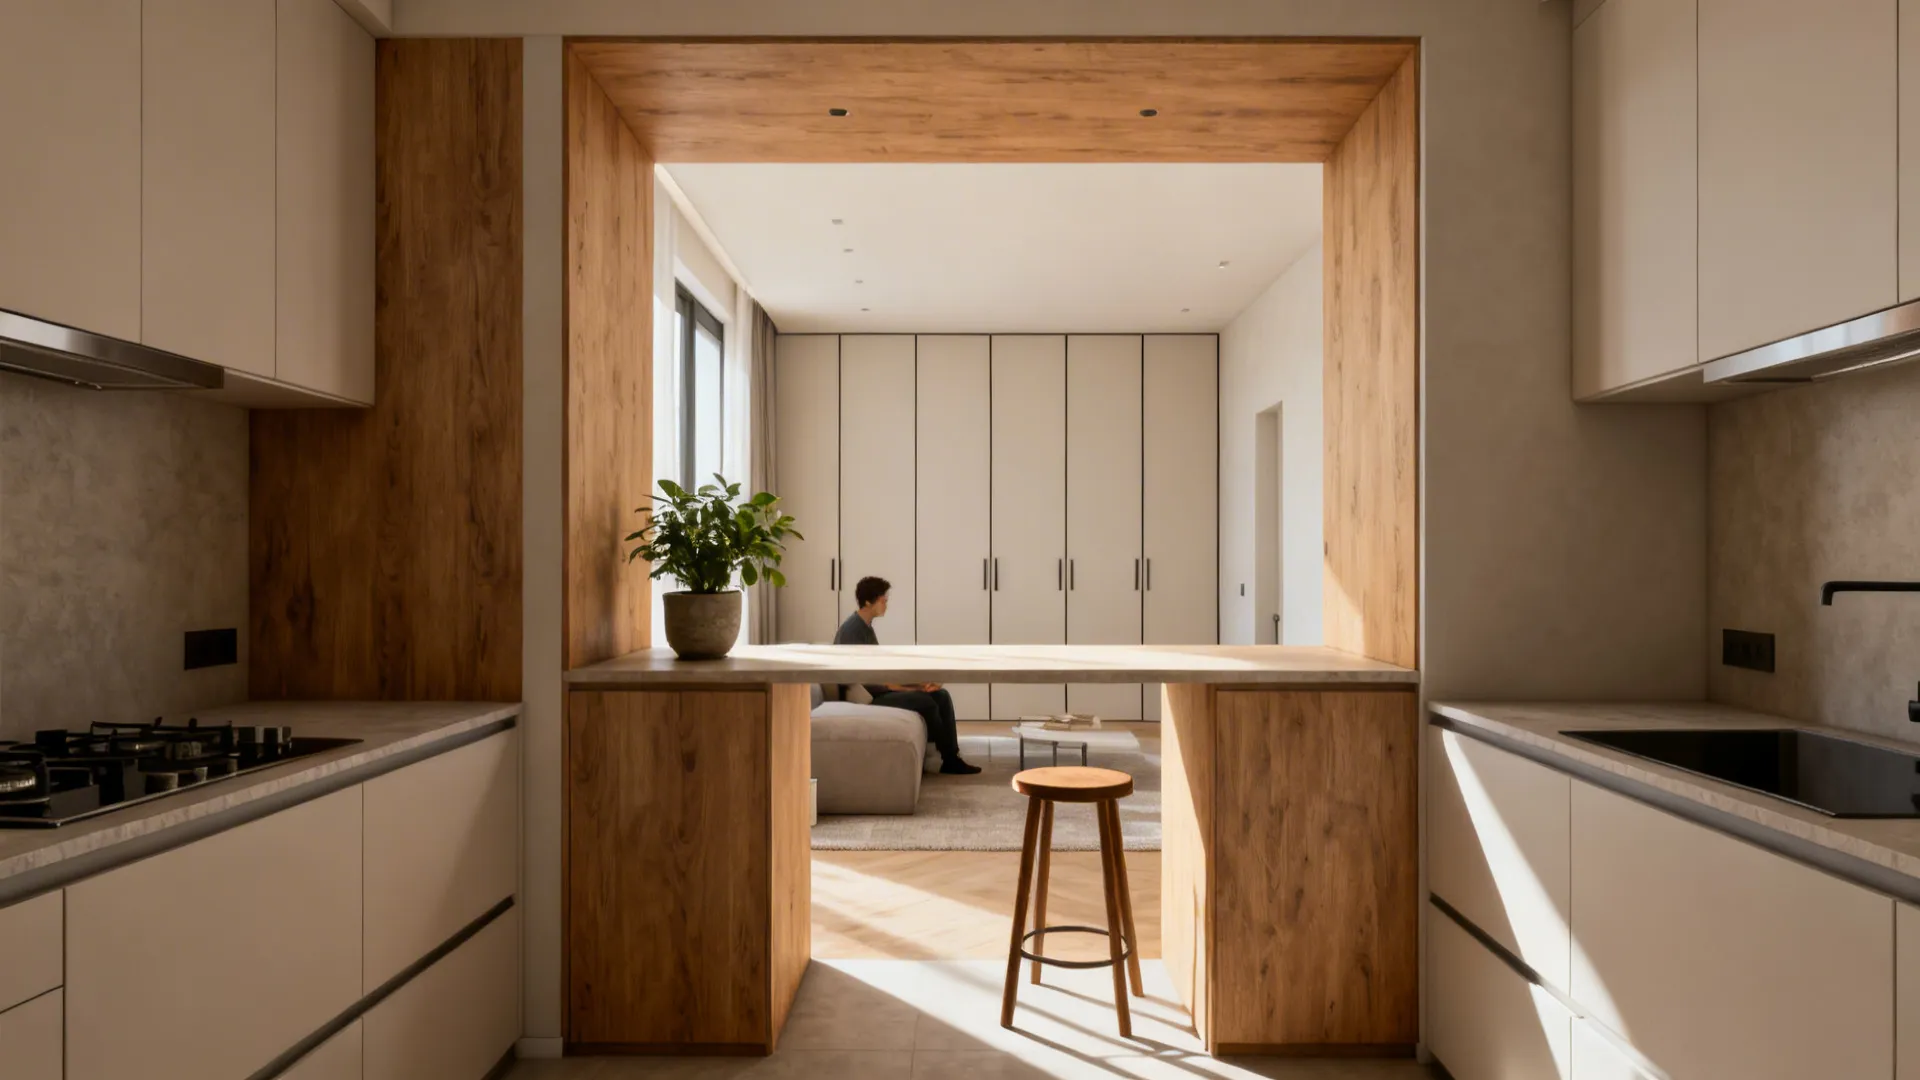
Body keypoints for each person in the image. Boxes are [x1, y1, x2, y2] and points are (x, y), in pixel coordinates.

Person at [833, 576, 981, 775]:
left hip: (878, 689)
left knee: (941, 696)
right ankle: (948, 756)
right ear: (868, 602)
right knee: (926, 702)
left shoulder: (865, 627)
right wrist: (909, 688)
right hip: (866, 697)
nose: (886, 605)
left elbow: (879, 668)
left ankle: (951, 758)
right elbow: (865, 679)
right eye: (883, 600)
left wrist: (919, 683)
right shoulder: (853, 631)